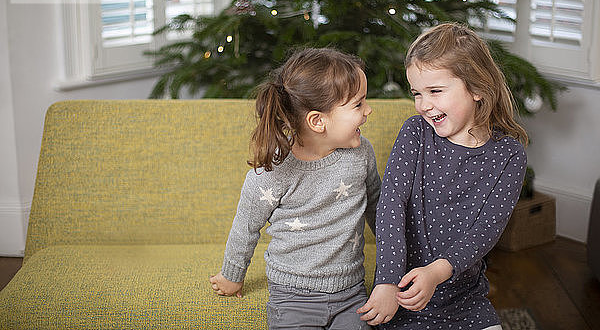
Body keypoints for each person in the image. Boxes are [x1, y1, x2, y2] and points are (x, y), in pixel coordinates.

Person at [357, 23, 528, 329]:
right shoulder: (415, 133)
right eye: (417, 93)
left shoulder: (509, 156)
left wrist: (437, 272)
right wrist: (386, 281)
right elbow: (391, 208)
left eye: (435, 91)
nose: (424, 104)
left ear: (477, 88)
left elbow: (485, 230)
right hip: (400, 293)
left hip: (464, 301)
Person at [210, 47, 381, 330]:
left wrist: (400, 262)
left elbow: (378, 207)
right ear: (318, 121)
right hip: (292, 299)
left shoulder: (361, 154)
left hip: (351, 294)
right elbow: (245, 227)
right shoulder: (270, 174)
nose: (368, 110)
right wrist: (232, 275)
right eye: (358, 105)